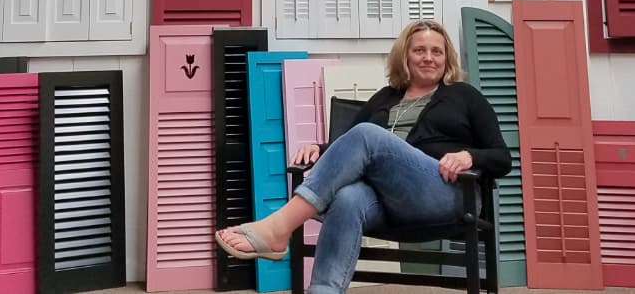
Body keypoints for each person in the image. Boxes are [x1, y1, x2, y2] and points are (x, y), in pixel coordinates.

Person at [214, 19, 512, 294]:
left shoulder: (465, 95)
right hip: (390, 201)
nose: (429, 57)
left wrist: (469, 156)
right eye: (419, 50)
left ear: (447, 58)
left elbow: (502, 157)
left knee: (368, 135)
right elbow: (349, 144)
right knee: (348, 197)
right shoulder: (386, 96)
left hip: (445, 193)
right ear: (405, 56)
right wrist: (321, 148)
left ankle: (279, 228)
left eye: (437, 51)